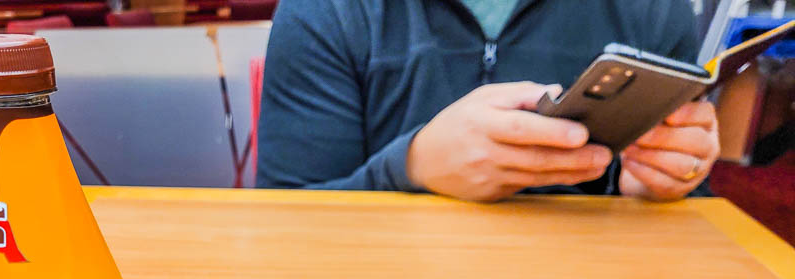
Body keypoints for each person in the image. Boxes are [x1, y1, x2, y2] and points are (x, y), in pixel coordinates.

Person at [256, 0, 720, 201]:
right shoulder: (326, 11)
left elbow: (687, 201)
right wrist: (410, 168)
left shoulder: (654, 8)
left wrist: (664, 179)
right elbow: (287, 219)